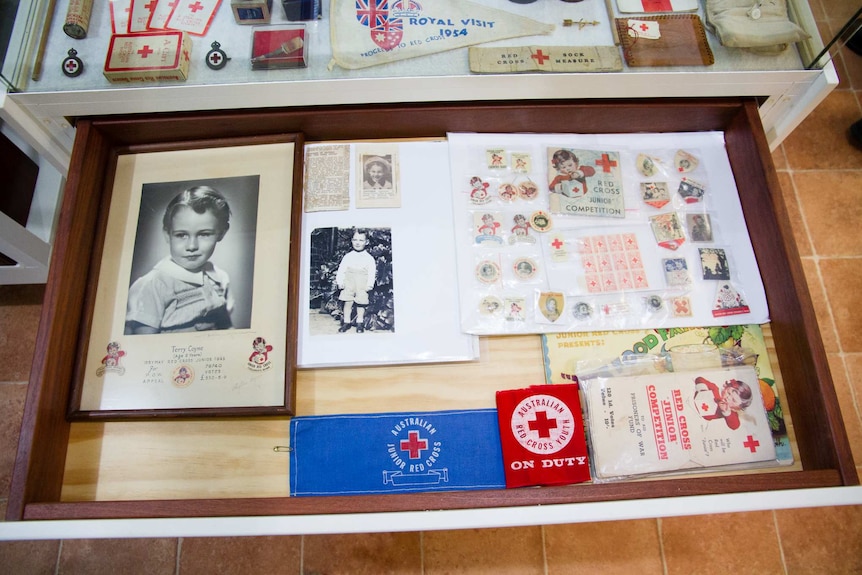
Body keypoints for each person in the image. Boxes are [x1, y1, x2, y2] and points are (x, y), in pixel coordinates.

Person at [125, 185, 234, 334]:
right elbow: (144, 345)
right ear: (167, 234)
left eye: (204, 234)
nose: (191, 246)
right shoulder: (153, 285)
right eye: (181, 235)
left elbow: (226, 327)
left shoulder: (220, 278)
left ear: (221, 233)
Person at [335, 229, 377, 333]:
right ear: (351, 241)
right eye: (355, 240)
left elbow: (372, 272)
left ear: (366, 242)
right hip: (349, 282)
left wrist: (370, 284)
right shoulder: (348, 256)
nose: (357, 243)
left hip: (362, 283)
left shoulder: (369, 258)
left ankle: (360, 323)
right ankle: (346, 322)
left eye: (361, 240)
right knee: (348, 302)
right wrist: (340, 281)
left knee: (361, 303)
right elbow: (342, 269)